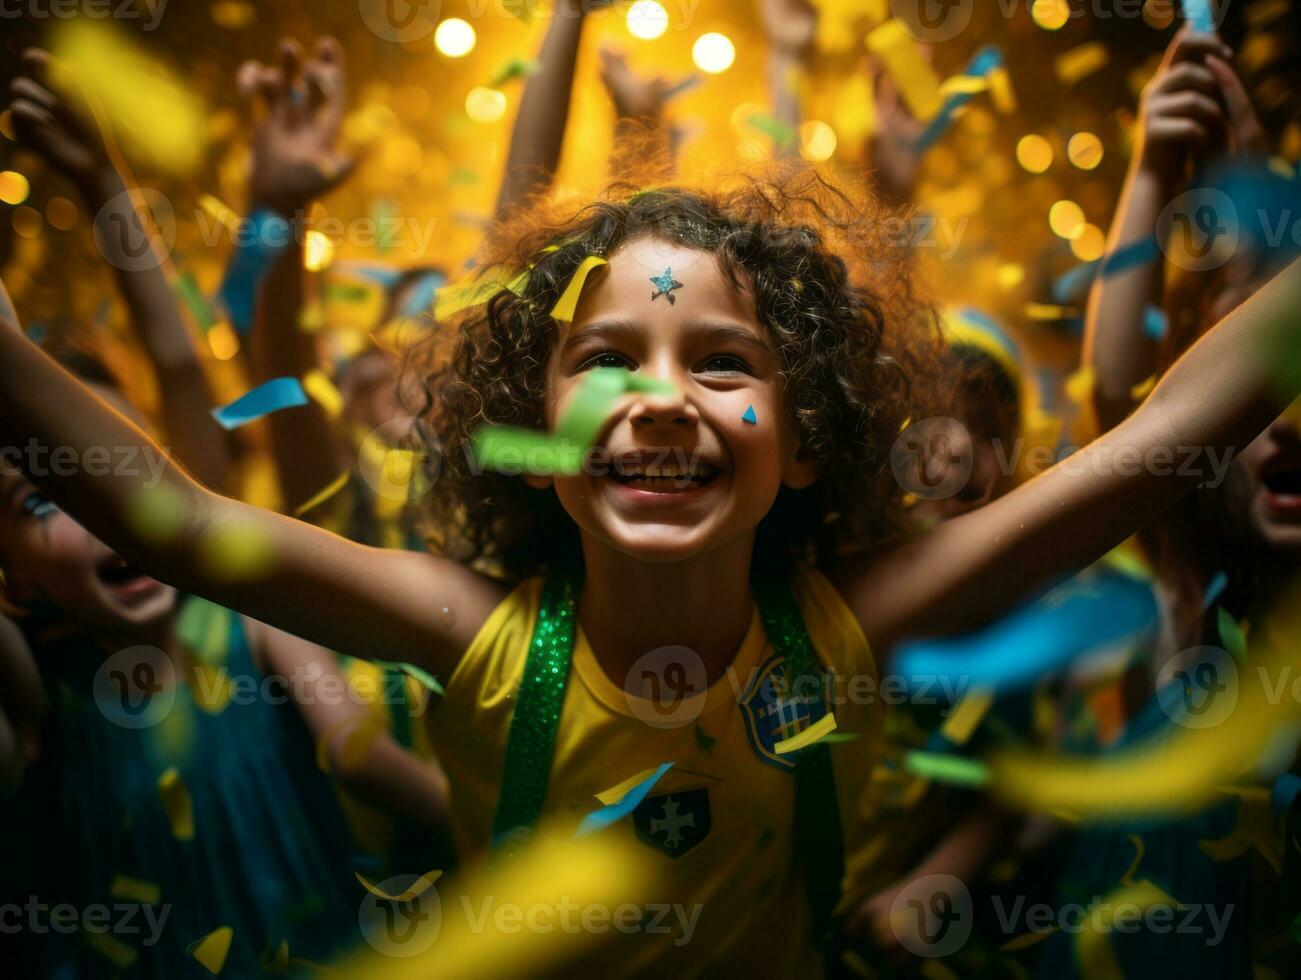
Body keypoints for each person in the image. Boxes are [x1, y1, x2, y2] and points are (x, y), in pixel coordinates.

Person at [2, 66, 1300, 965]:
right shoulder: (473, 633)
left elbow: (1159, 443)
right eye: (606, 359)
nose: (661, 400)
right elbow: (171, 519)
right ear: (531, 442)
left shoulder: (854, 620)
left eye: (724, 364)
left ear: (805, 447)